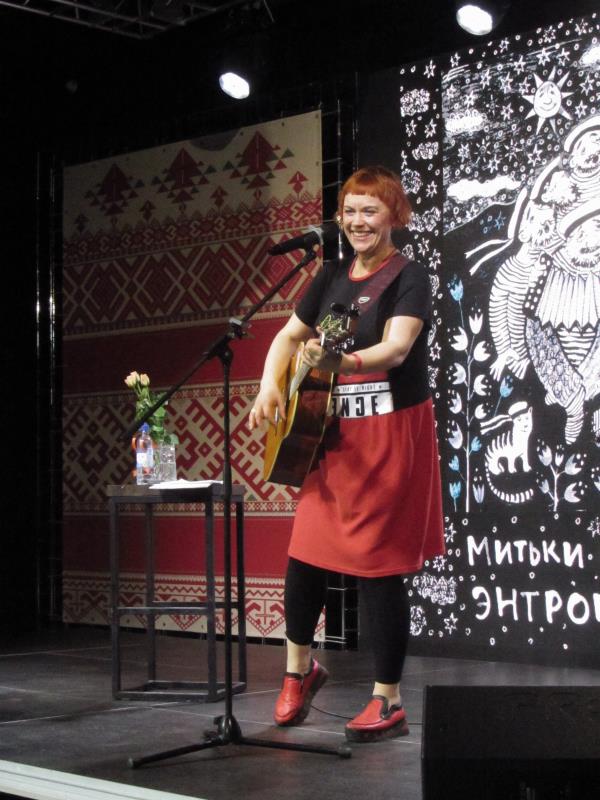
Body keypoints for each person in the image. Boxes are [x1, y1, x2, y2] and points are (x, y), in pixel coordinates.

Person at [248, 165, 444, 743]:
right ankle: (299, 670)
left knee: (379, 569)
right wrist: (268, 386)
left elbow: (397, 348)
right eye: (350, 211)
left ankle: (388, 699)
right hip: (331, 439)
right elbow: (288, 336)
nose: (358, 221)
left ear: (394, 216)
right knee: (305, 554)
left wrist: (344, 362)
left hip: (388, 437)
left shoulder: (409, 276)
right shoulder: (331, 274)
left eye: (370, 210)